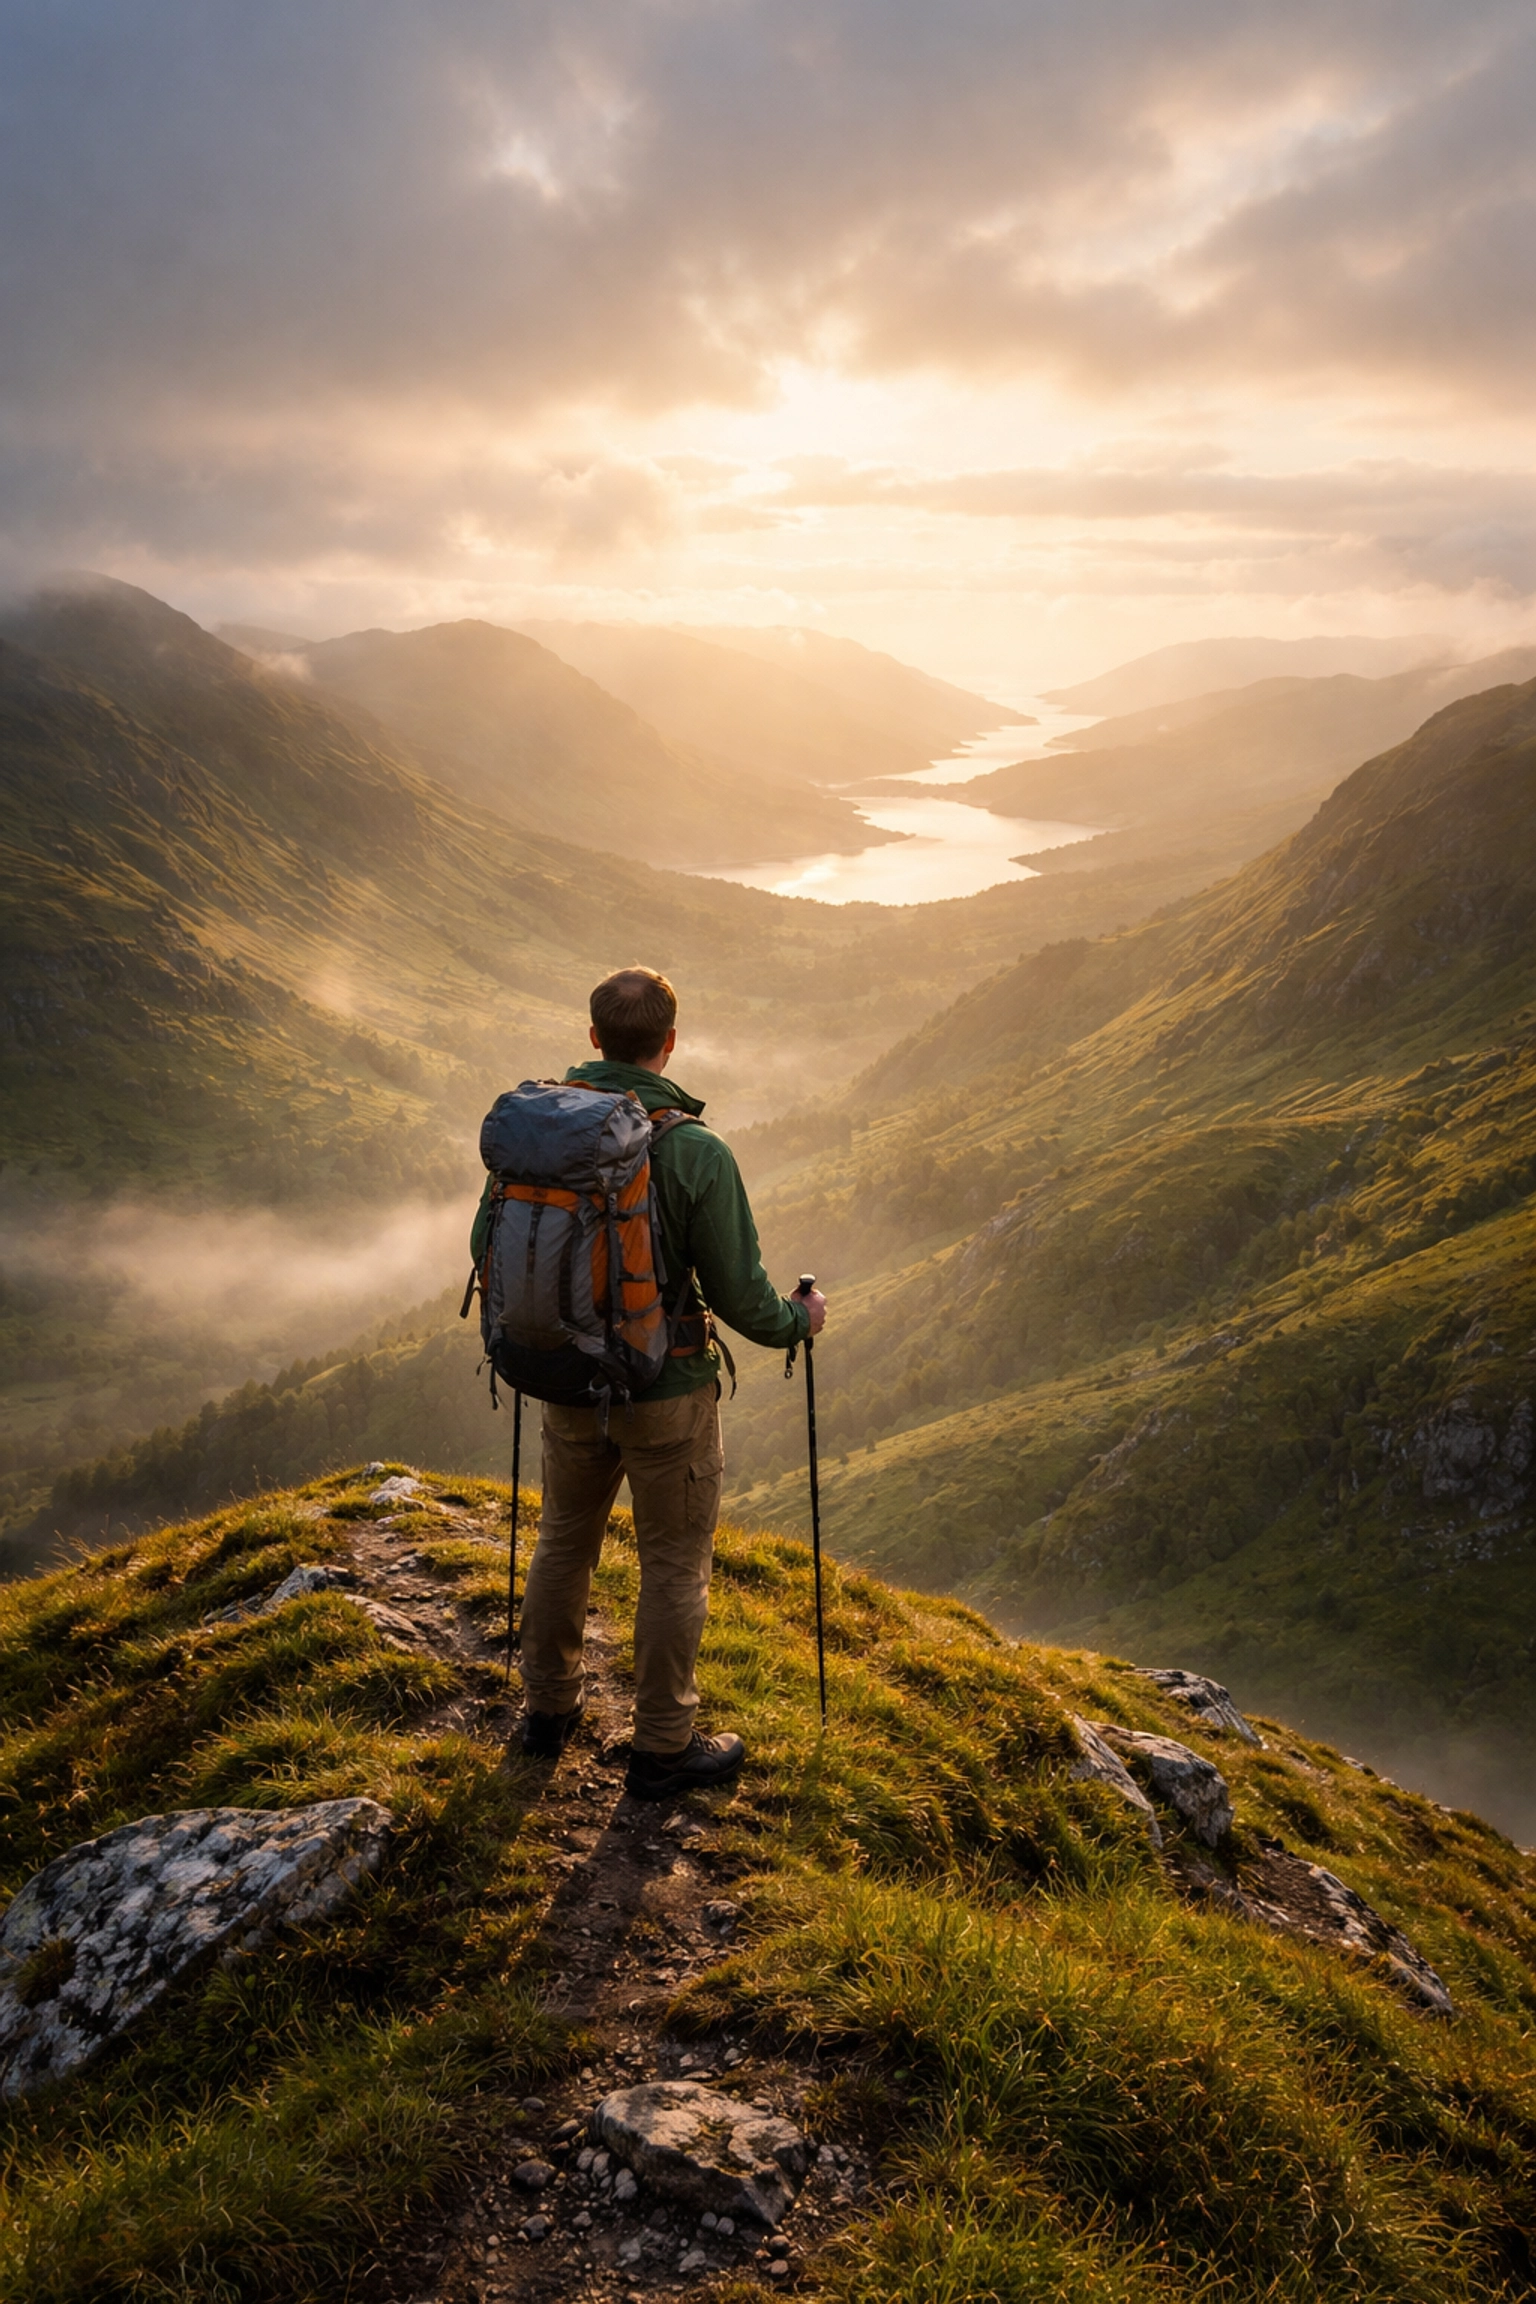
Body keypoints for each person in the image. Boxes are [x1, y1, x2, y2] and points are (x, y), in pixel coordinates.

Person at [509, 966, 826, 1799]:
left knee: (563, 1540)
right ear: (670, 1043)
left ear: (593, 1040)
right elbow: (743, 1296)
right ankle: (661, 1747)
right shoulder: (692, 1150)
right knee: (674, 1564)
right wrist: (802, 1321)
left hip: (564, 1379)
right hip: (666, 1390)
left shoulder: (538, 1134)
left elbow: (489, 1243)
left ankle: (546, 1714)